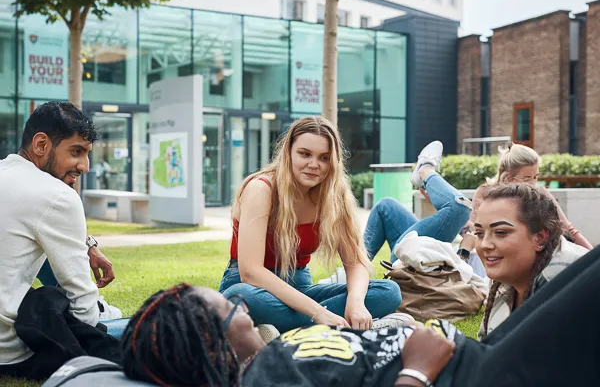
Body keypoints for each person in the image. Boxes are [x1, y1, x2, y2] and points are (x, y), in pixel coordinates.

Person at [119, 242, 600, 387]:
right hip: (476, 376)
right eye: (231, 308)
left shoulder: (269, 359)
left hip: (474, 354)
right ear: (213, 343)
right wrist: (417, 369)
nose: (241, 305)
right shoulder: (266, 384)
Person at [218, 116, 403, 339]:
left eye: (323, 158)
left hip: (300, 290)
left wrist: (356, 303)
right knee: (243, 297)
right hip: (252, 289)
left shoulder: (334, 194)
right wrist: (318, 312)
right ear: (288, 153)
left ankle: (282, 331)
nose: (314, 164)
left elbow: (355, 262)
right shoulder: (262, 188)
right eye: (305, 154)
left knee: (388, 293)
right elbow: (250, 272)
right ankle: (329, 328)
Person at [0, 101, 122, 379]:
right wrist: (96, 323)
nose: (85, 166)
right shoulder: (57, 195)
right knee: (126, 326)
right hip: (11, 352)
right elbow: (83, 310)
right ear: (41, 144)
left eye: (88, 154)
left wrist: (87, 244)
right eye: (76, 151)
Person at [319, 140, 481, 284]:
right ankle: (353, 269)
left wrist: (464, 251)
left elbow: (466, 276)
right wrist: (466, 228)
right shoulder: (497, 200)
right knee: (386, 206)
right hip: (425, 256)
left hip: (423, 264)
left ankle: (425, 169)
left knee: (460, 208)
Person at [473, 182, 589, 339]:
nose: (485, 244)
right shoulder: (508, 279)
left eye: (500, 232)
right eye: (479, 233)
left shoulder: (565, 282)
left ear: (539, 237)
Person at [470, 143, 592, 250]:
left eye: (536, 177)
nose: (533, 184)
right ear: (508, 178)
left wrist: (593, 257)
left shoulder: (540, 193)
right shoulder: (485, 193)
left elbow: (569, 229)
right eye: (527, 178)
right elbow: (474, 230)